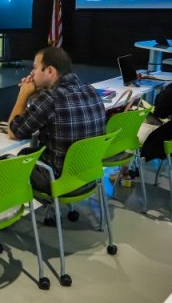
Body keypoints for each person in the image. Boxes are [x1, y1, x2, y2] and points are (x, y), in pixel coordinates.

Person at [8, 46, 106, 193]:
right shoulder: (91, 90)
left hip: (57, 181)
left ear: (50, 71)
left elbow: (14, 131)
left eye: (35, 68)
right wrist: (38, 94)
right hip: (88, 177)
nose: (32, 73)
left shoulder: (50, 99)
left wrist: (23, 94)